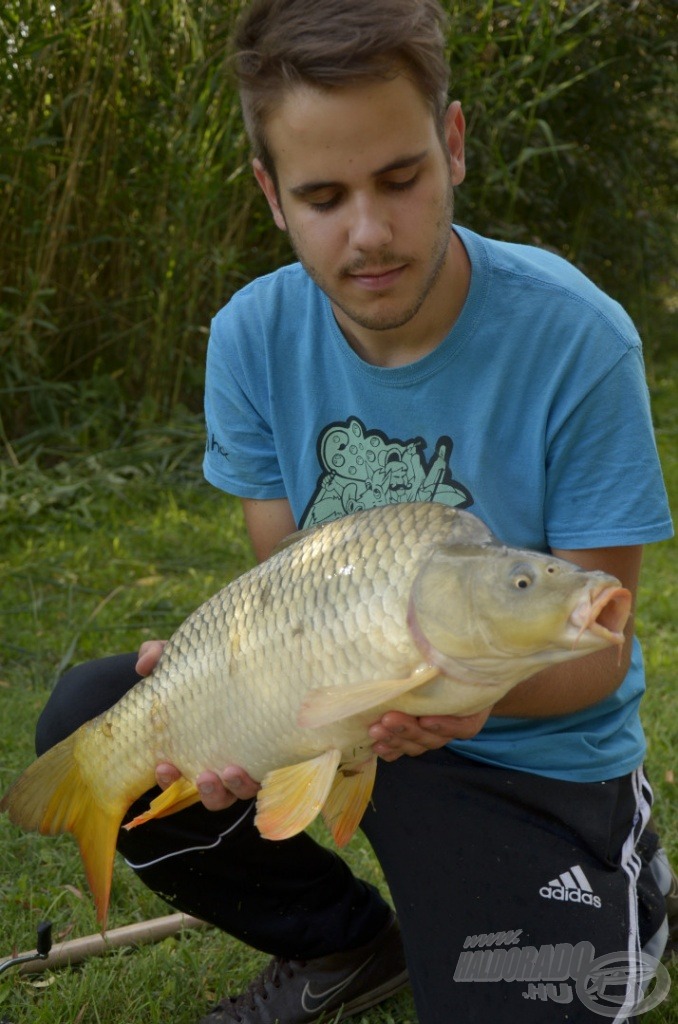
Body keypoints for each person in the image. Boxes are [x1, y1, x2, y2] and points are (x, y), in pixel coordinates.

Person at [35, 1, 675, 1022]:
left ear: (453, 146)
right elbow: (289, 577)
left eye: (400, 179)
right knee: (90, 717)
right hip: (344, 722)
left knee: (536, 996)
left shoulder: (579, 339)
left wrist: (467, 698)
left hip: (523, 757)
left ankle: (614, 888)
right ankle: (346, 948)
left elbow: (597, 649)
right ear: (270, 194)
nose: (369, 232)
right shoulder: (250, 336)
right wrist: (227, 684)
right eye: (324, 194)